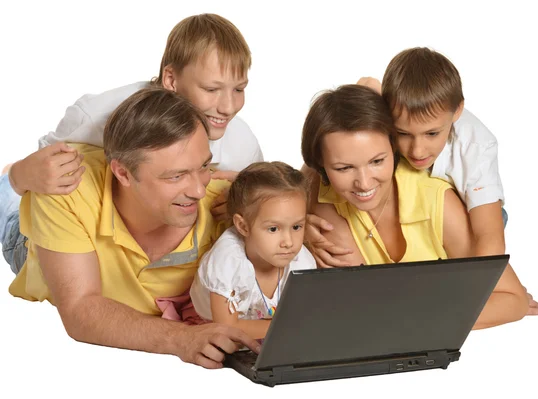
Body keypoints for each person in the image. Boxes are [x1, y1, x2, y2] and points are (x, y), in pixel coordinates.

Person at [7, 87, 260, 368]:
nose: (200, 191)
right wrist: (183, 338)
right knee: (8, 204)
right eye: (176, 176)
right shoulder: (64, 188)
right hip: (30, 251)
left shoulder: (225, 205)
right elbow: (80, 309)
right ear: (123, 173)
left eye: (204, 167)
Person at [1, 13, 261, 273]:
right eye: (211, 89)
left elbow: (264, 205)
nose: (228, 107)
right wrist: (19, 176)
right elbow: (45, 173)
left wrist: (245, 201)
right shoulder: (96, 117)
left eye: (239, 89)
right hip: (37, 240)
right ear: (171, 79)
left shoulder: (240, 142)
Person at [301, 84, 529, 329]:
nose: (364, 182)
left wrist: (421, 317)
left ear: (394, 146)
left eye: (377, 161)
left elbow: (513, 299)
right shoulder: (327, 202)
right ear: (322, 166)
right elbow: (363, 302)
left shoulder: (435, 199)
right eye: (344, 168)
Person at [190, 162, 317, 339]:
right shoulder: (228, 262)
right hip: (210, 322)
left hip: (265, 328)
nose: (288, 242)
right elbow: (227, 327)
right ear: (243, 226)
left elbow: (302, 316)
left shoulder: (301, 261)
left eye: (296, 227)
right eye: (273, 229)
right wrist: (289, 329)